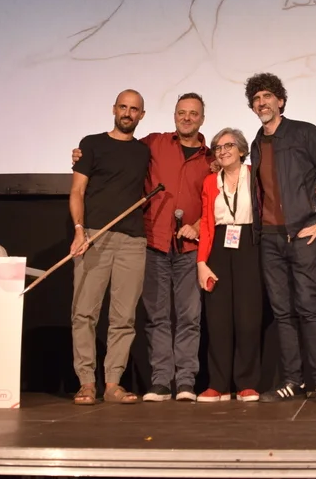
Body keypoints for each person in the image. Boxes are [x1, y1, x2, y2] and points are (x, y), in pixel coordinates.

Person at [72, 93, 213, 402]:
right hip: (154, 242)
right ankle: (159, 382)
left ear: (202, 119)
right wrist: (81, 156)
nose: (187, 117)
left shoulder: (211, 158)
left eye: (193, 113)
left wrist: (198, 223)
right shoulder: (152, 144)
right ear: (174, 115)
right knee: (155, 317)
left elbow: (218, 196)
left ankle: (185, 383)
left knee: (188, 318)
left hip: (187, 248)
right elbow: (110, 154)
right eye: (181, 112)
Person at [245, 72, 316, 403]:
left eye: (267, 96)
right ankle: (293, 380)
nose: (261, 103)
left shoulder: (304, 132)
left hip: (303, 235)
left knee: (309, 306)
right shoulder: (256, 143)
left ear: (280, 101)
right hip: (270, 238)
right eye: (256, 99)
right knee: (282, 312)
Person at [69, 89, 152, 405]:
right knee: (84, 313)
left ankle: (113, 383)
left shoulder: (145, 151)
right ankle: (86, 383)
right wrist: (79, 230)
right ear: (114, 109)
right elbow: (77, 191)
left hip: (132, 241)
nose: (128, 113)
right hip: (93, 237)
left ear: (141, 115)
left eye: (134, 109)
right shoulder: (91, 144)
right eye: (123, 107)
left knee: (124, 318)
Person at [195, 127, 262, 402]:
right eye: (218, 147)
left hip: (250, 245)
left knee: (248, 318)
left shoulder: (255, 175)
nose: (222, 151)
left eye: (228, 146)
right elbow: (206, 224)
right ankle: (218, 384)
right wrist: (201, 261)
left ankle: (247, 382)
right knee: (218, 319)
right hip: (219, 247)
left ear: (242, 150)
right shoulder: (210, 182)